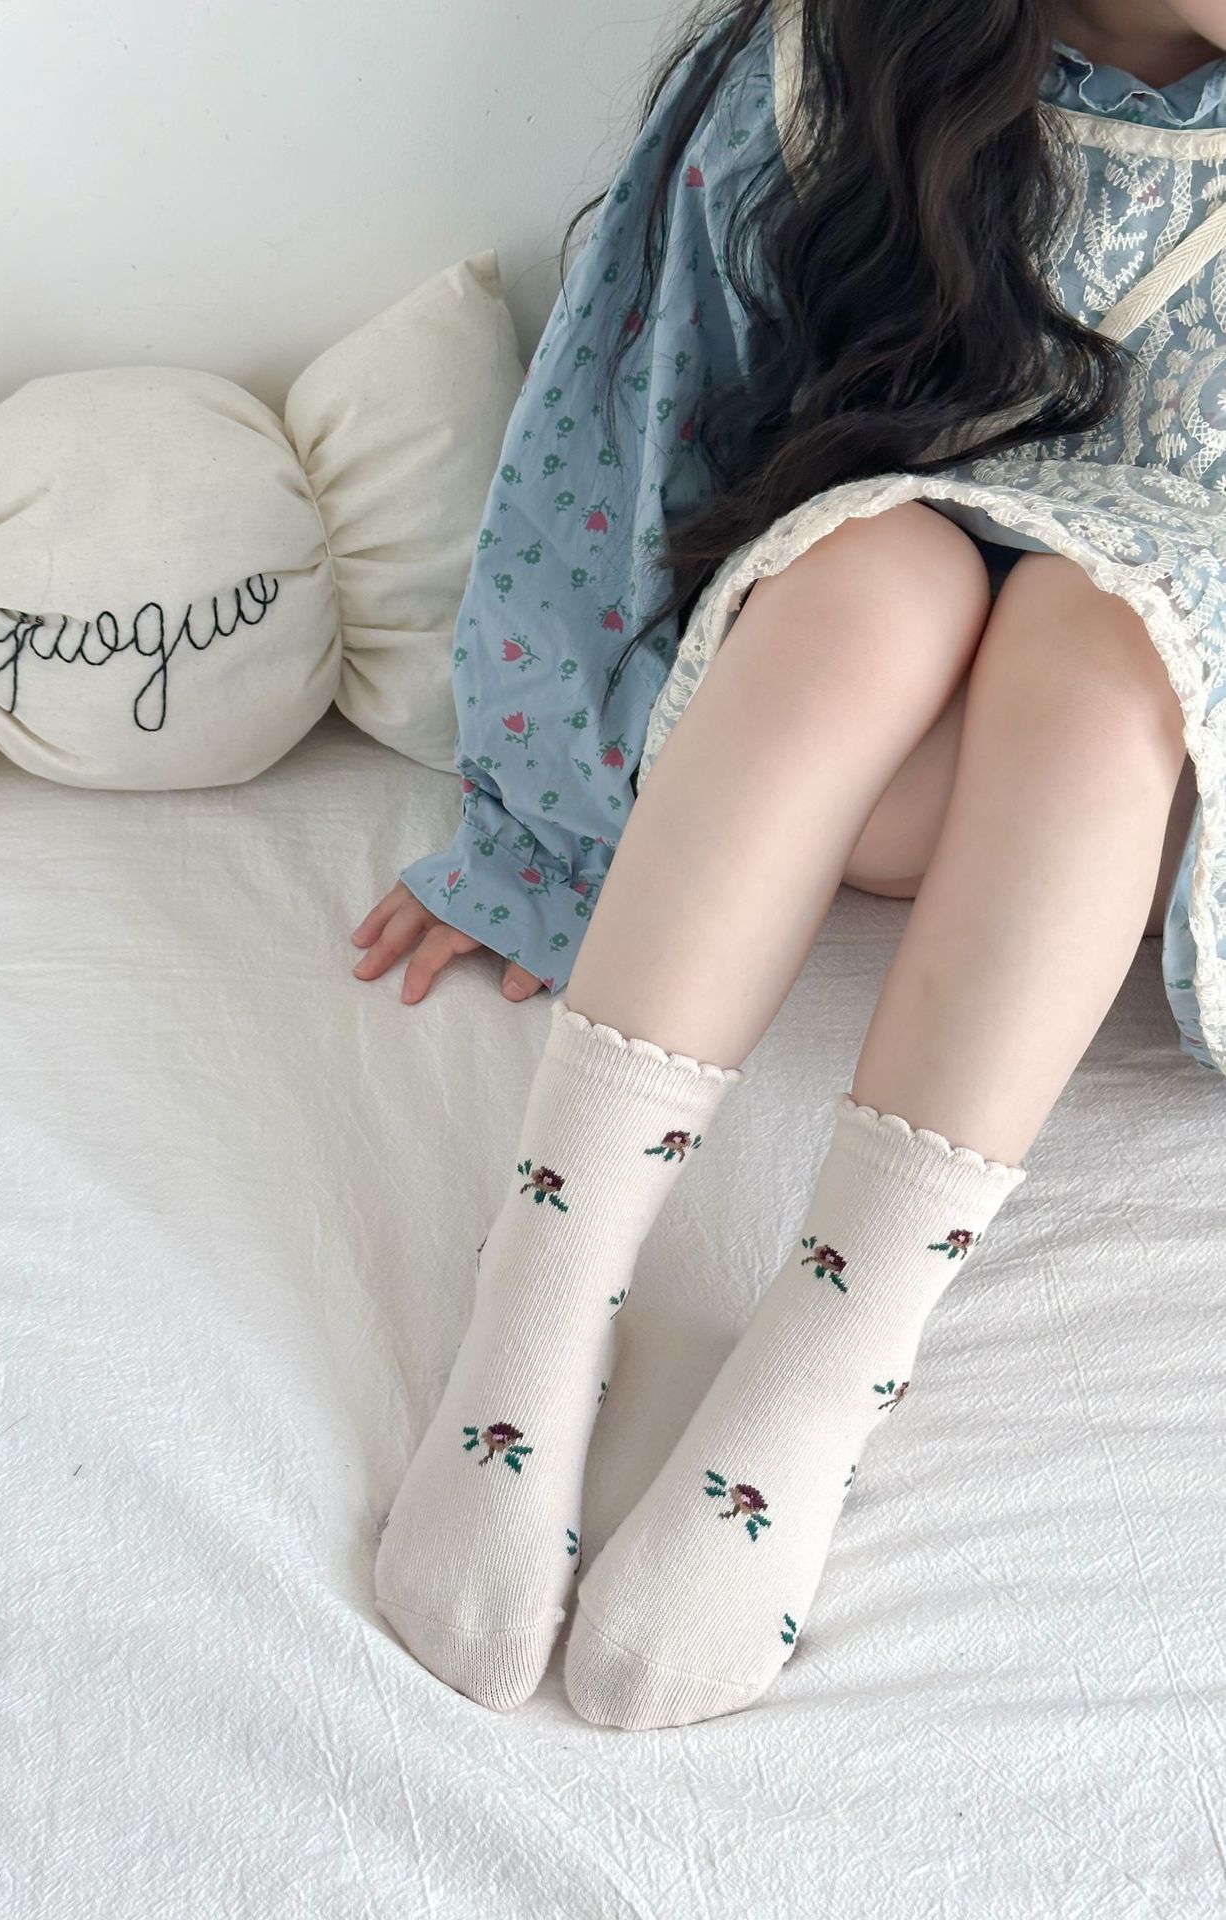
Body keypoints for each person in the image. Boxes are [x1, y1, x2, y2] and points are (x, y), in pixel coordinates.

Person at [360, 0, 1226, 1730]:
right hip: (857, 708)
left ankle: (823, 1377)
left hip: (1133, 774)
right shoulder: (833, 68)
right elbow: (617, 455)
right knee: (876, 578)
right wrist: (542, 838)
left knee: (1096, 647)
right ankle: (538, 1306)